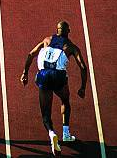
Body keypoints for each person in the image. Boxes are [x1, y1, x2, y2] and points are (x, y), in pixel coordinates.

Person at [20, 20, 87, 156]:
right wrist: (82, 87)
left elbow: (30, 54)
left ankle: (52, 135)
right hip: (59, 78)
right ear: (68, 31)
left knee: (46, 115)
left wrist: (25, 73)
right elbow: (83, 67)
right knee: (65, 101)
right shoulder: (71, 46)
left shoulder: (47, 40)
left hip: (43, 76)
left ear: (57, 30)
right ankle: (66, 132)